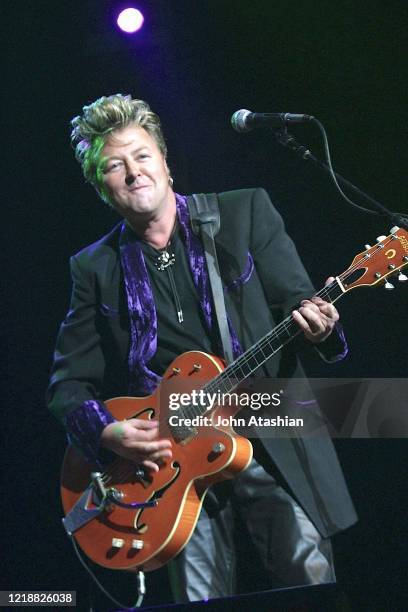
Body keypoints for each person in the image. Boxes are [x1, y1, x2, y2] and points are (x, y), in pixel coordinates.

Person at [47, 94, 357, 604]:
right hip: (168, 471)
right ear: (99, 186)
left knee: (310, 589)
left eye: (142, 156)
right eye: (113, 166)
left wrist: (321, 328)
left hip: (268, 439)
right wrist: (109, 431)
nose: (133, 173)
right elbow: (66, 385)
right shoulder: (93, 267)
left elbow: (299, 308)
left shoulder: (242, 212)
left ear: (165, 162)